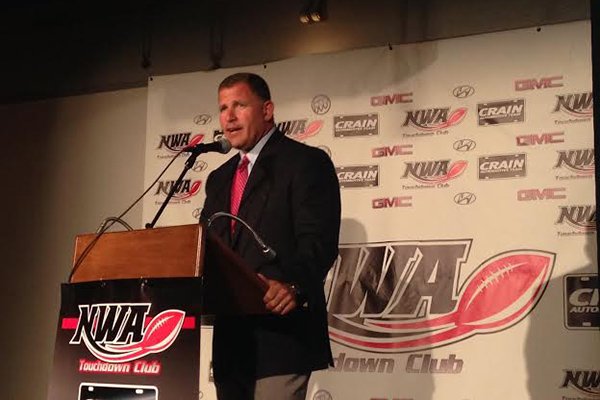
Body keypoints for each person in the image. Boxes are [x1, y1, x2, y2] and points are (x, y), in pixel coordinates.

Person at [200, 72, 341, 400]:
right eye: (223, 108)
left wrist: (294, 286)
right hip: (232, 345)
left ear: (267, 110)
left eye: (239, 105)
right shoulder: (219, 178)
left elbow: (318, 243)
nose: (229, 117)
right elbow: (210, 248)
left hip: (281, 336)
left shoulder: (305, 162)